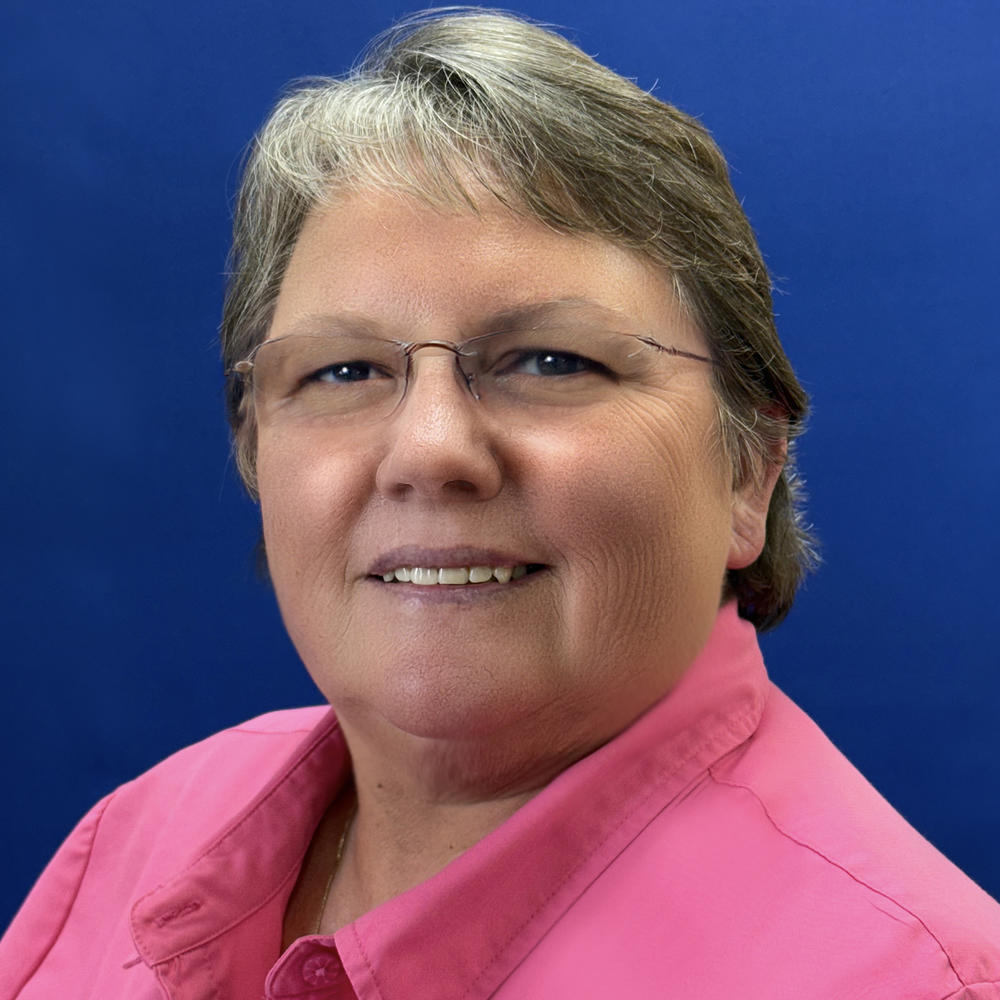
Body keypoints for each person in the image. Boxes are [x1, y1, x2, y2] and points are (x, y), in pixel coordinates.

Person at [2, 8, 998, 998]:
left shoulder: (911, 977)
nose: (429, 451)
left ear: (749, 471)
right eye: (344, 370)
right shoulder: (135, 839)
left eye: (550, 360)